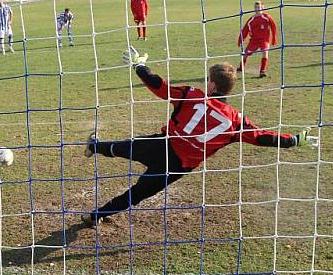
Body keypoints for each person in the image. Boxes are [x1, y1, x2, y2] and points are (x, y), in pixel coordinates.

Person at [80, 47, 318, 227]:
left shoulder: (192, 95)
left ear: (212, 84)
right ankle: (96, 215)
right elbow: (262, 137)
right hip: (179, 165)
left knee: (126, 147)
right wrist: (293, 140)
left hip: (162, 145)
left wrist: (140, 66)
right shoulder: (235, 120)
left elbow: (159, 86)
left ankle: (95, 146)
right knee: (138, 193)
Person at [237, 1, 278, 78]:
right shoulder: (251, 20)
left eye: (259, 7)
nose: (257, 9)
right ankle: (241, 67)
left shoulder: (267, 17)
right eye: (256, 7)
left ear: (263, 8)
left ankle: (262, 71)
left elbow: (273, 27)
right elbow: (245, 30)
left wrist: (274, 39)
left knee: (265, 52)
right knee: (245, 54)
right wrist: (240, 40)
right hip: (254, 40)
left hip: (264, 40)